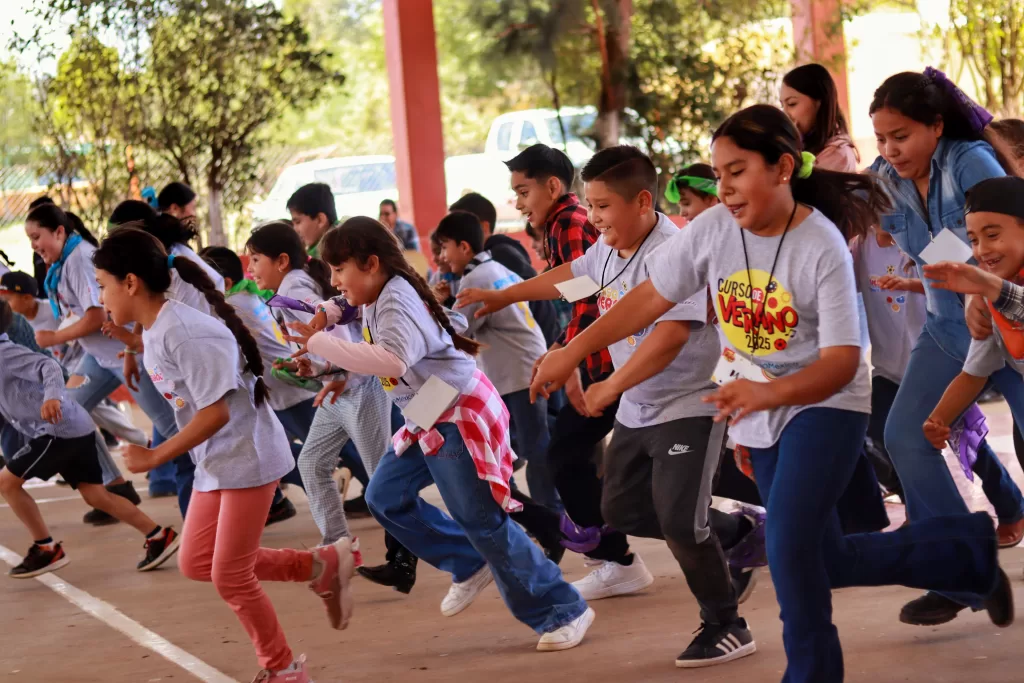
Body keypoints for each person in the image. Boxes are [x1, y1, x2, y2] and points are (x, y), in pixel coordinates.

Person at [530, 103, 1014, 683]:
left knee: (788, 558)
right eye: (718, 173)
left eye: (737, 171)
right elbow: (651, 299)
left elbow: (840, 364)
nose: (724, 188)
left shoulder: (821, 244)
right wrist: (572, 350)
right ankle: (963, 551)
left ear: (783, 167)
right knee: (821, 557)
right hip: (757, 407)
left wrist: (766, 395)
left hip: (824, 409)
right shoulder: (710, 231)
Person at [466, 145, 763, 667]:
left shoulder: (674, 250)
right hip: (637, 407)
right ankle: (740, 533)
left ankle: (726, 624)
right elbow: (573, 277)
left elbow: (670, 333)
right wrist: (506, 296)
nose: (594, 217)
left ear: (643, 202)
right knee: (621, 508)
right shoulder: (607, 249)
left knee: (681, 522)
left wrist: (608, 385)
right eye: (591, 204)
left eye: (603, 206)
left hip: (688, 403)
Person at [294, 218, 595, 652]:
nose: (336, 282)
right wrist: (327, 315)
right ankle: (469, 562)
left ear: (372, 264)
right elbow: (349, 305)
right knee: (384, 497)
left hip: (457, 414)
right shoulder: (383, 288)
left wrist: (319, 342)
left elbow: (392, 361)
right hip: (429, 411)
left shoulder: (396, 300)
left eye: (340, 270)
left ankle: (564, 608)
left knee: (483, 520)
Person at [93, 227, 355, 683]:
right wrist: (130, 344)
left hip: (247, 457)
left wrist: (155, 457)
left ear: (130, 282)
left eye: (102, 285)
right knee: (197, 562)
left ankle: (283, 669)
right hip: (217, 461)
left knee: (230, 576)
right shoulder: (158, 328)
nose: (100, 296)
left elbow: (214, 414)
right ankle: (321, 564)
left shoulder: (185, 331)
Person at [870, 69, 1024, 625]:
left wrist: (979, 288)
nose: (890, 149)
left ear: (936, 126)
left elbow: (993, 242)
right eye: (882, 138)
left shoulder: (970, 161)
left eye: (901, 135)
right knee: (904, 436)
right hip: (945, 328)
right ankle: (965, 569)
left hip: (1009, 327)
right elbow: (881, 228)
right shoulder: (882, 176)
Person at [460, 143, 645, 601]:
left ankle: (621, 557)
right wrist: (511, 299)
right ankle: (614, 556)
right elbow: (578, 282)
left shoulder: (569, 223)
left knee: (570, 459)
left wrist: (572, 363)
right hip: (603, 361)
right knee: (569, 458)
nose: (518, 202)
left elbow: (587, 293)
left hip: (614, 366)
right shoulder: (566, 226)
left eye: (523, 191)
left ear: (553, 186)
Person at [0, 299, 180, 578]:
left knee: (7, 482)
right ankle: (158, 536)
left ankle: (46, 548)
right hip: (74, 428)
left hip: (57, 429)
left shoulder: (4, 352)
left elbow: (48, 367)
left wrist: (52, 398)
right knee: (97, 496)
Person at [245, 222, 393, 540]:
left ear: (281, 261)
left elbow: (334, 333)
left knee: (383, 479)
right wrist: (310, 364)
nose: (251, 268)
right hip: (339, 387)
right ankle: (336, 546)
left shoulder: (294, 290)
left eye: (256, 259)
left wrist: (334, 372)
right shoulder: (290, 287)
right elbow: (322, 339)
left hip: (357, 387)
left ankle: (407, 550)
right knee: (312, 464)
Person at [24, 203, 168, 525]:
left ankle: (231, 480)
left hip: (123, 352)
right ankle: (115, 487)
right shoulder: (62, 263)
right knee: (67, 412)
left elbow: (97, 315)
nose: (34, 245)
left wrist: (55, 338)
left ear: (59, 232)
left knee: (170, 424)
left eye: (37, 236)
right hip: (98, 357)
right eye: (30, 239)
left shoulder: (80, 259)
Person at [433, 211, 559, 510]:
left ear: (464, 247)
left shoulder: (474, 279)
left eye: (444, 247)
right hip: (522, 365)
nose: (441, 256)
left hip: (518, 373)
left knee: (532, 446)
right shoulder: (493, 268)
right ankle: (530, 511)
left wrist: (436, 306)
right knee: (514, 444)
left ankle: (552, 516)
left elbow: (454, 334)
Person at [925, 178, 1024, 452]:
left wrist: (987, 286)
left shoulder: (991, 287)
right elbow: (974, 373)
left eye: (992, 235)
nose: (981, 250)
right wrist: (939, 419)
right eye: (973, 240)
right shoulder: (990, 294)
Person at [0, 270, 149, 451]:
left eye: (8, 300)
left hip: (71, 367)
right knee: (81, 412)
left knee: (92, 411)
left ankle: (141, 441)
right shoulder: (17, 322)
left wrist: (56, 338)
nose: (5, 305)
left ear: (27, 298)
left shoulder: (52, 311)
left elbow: (79, 329)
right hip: (46, 374)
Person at [451, 192, 562, 346]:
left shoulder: (493, 262)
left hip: (542, 345)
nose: (518, 205)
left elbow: (457, 330)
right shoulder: (502, 254)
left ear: (483, 227)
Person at [781, 63, 859, 171]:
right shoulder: (800, 145)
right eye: (782, 105)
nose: (785, 113)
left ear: (819, 102)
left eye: (792, 104)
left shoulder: (838, 154)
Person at [287, 183, 337, 257]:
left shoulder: (336, 251)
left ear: (320, 220)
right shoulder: (315, 251)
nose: (295, 229)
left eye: (298, 222)